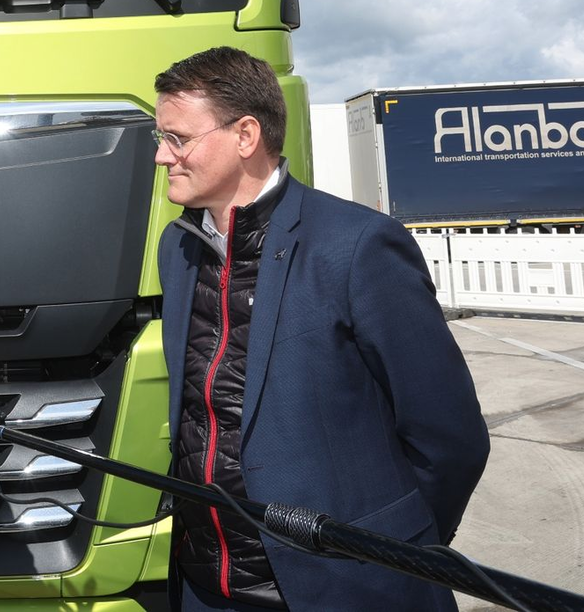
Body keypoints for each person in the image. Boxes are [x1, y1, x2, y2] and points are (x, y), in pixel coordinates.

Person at [154, 47, 489, 612]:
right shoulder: (178, 248)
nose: (163, 156)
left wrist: (401, 552)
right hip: (208, 587)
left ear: (245, 135)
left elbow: (449, 436)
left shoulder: (357, 246)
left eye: (178, 138)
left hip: (343, 588)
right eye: (159, 137)